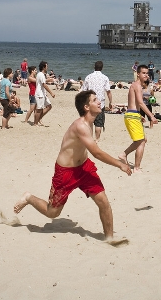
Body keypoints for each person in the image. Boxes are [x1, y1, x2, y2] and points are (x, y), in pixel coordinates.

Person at [10, 91, 131, 245]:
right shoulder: (80, 125)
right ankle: (28, 197)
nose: (99, 101)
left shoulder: (90, 121)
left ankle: (109, 238)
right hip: (65, 172)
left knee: (103, 201)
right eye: (95, 100)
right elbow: (96, 153)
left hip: (84, 168)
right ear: (86, 107)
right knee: (52, 212)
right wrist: (119, 163)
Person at [119, 64, 158, 172]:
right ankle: (135, 166)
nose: (146, 75)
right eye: (144, 73)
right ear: (138, 74)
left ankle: (125, 156)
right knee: (141, 141)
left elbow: (133, 103)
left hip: (133, 114)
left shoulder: (137, 86)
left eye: (147, 73)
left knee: (142, 140)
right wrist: (151, 116)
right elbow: (140, 103)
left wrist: (139, 115)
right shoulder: (136, 85)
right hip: (131, 115)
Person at [81, 61, 113, 141]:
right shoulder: (105, 78)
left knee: (89, 121)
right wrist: (110, 102)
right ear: (102, 68)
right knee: (98, 123)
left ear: (94, 67)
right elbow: (108, 91)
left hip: (90, 103)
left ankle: (90, 138)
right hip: (100, 104)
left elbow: (84, 90)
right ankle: (97, 139)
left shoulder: (88, 77)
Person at [34, 61, 55, 127]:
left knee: (49, 106)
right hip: (39, 94)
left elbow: (43, 82)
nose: (47, 67)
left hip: (43, 94)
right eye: (46, 66)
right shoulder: (41, 74)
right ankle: (35, 123)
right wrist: (51, 93)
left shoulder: (41, 75)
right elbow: (44, 85)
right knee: (39, 109)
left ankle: (39, 118)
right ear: (44, 67)